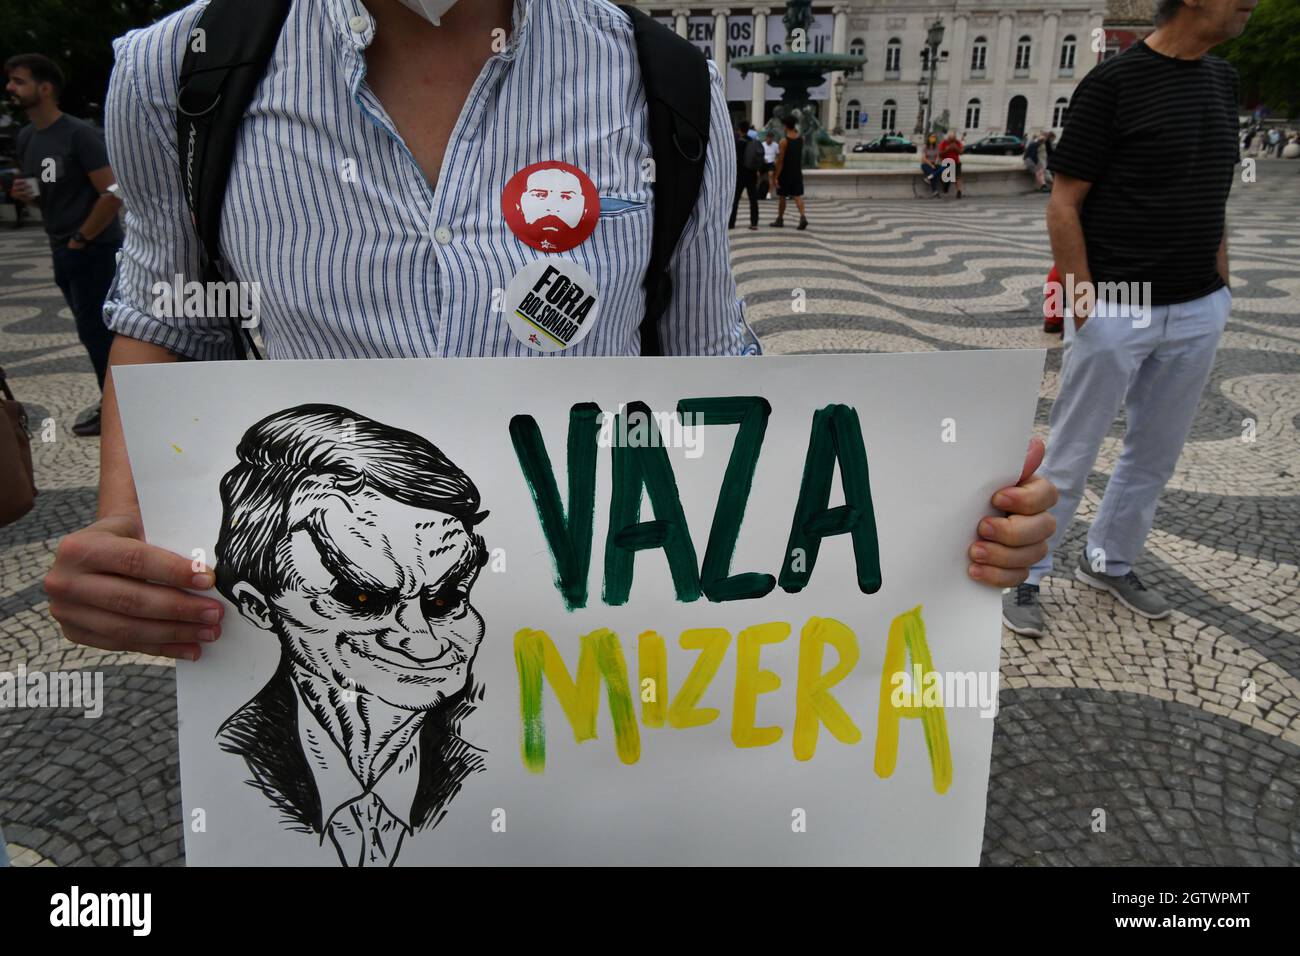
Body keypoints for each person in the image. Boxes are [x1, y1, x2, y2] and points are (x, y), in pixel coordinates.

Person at [43, 0, 1054, 664]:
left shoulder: (661, 79)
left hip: (589, 678)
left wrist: (931, 511)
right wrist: (126, 531)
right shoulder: (180, 71)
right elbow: (163, 317)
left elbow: (714, 371)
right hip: (325, 642)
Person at [1003, 0, 1252, 638]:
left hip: (1197, 304)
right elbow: (1064, 203)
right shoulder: (1113, 84)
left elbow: (1214, 185)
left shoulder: (1223, 79)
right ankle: (1028, 574)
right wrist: (1087, 307)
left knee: (1156, 452)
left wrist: (1221, 283)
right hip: (1119, 301)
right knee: (1073, 449)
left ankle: (1111, 560)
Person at [213, 405, 487, 867]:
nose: (424, 643)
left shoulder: (499, 757)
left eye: (446, 601)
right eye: (361, 599)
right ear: (259, 606)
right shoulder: (229, 761)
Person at [5, 53, 123, 437]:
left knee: (99, 334)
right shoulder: (27, 136)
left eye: (19, 81)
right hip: (62, 247)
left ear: (45, 87)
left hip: (93, 249)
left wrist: (80, 239)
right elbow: (47, 193)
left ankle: (117, 411)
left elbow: (111, 193)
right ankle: (115, 403)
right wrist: (30, 196)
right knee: (89, 334)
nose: (10, 87)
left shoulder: (78, 134)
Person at [771, 113, 807, 230]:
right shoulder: (801, 139)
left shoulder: (783, 141)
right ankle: (803, 217)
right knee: (797, 196)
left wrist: (776, 176)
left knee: (782, 196)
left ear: (786, 126)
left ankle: (780, 219)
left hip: (786, 173)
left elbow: (780, 161)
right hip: (797, 172)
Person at [729, 121, 761, 230]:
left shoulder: (738, 143)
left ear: (739, 130)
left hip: (740, 175)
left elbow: (735, 160)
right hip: (752, 174)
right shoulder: (753, 142)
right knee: (753, 200)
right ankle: (754, 223)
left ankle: (731, 223)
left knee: (735, 200)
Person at [939, 129, 963, 199]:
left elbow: (961, 152)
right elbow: (940, 154)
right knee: (947, 178)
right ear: (948, 138)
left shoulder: (958, 143)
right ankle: (945, 186)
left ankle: (959, 191)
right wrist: (947, 149)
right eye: (951, 140)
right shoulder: (943, 143)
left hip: (956, 162)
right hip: (946, 162)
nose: (952, 141)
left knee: (958, 177)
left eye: (954, 140)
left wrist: (956, 148)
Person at [761, 130, 780, 199]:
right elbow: (760, 154)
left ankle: (769, 193)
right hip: (763, 162)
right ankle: (757, 191)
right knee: (757, 174)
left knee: (771, 174)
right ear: (766, 137)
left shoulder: (775, 145)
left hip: (771, 162)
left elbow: (778, 155)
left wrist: (776, 160)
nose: (770, 139)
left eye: (771, 138)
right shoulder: (762, 144)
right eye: (768, 137)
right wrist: (763, 159)